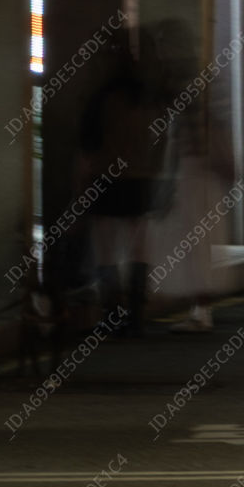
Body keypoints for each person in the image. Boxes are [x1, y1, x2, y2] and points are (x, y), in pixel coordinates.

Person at [77, 39, 164, 334]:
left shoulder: (101, 99)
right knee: (139, 247)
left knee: (106, 250)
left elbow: (88, 147)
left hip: (107, 180)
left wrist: (82, 184)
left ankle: (112, 313)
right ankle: (136, 315)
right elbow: (160, 140)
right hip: (140, 181)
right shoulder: (146, 99)